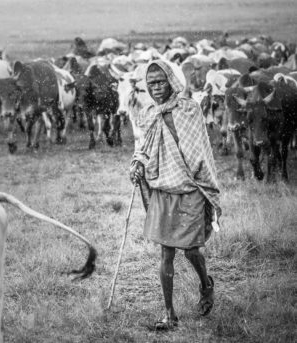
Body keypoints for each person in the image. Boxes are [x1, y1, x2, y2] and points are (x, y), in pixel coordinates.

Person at [129, 60, 222, 331]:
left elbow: (199, 150)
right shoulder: (149, 113)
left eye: (161, 81)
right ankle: (169, 314)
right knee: (166, 252)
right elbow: (142, 149)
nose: (156, 87)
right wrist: (137, 165)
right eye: (152, 83)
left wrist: (195, 180)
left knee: (192, 250)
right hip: (162, 189)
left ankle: (206, 285)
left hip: (189, 188)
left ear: (172, 80)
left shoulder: (189, 109)